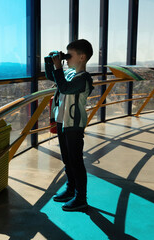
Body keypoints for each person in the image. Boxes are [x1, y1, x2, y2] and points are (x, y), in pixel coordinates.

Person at [44, 39, 94, 212]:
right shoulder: (71, 73)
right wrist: (49, 62)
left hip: (74, 125)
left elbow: (64, 88)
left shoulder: (84, 79)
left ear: (82, 57)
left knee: (76, 161)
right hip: (62, 121)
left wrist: (58, 67)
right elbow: (52, 77)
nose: (65, 59)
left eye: (69, 55)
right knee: (67, 159)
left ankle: (81, 198)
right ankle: (71, 189)